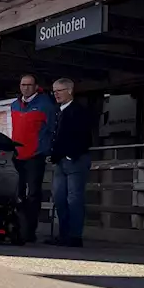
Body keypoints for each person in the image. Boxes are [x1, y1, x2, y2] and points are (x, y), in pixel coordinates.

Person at [10, 73, 57, 241]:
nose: (25, 88)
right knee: (17, 193)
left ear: (36, 86)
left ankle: (30, 230)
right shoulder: (14, 105)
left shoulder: (46, 105)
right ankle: (18, 227)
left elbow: (53, 129)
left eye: (29, 85)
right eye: (23, 85)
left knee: (34, 194)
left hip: (35, 156)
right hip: (17, 155)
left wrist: (48, 151)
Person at [48, 78, 93, 247]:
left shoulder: (79, 110)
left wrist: (69, 155)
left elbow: (84, 136)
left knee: (74, 198)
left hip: (75, 160)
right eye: (54, 91)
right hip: (60, 161)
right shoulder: (58, 111)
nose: (56, 94)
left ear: (70, 90)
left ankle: (75, 236)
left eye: (59, 90)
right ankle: (64, 234)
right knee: (59, 198)